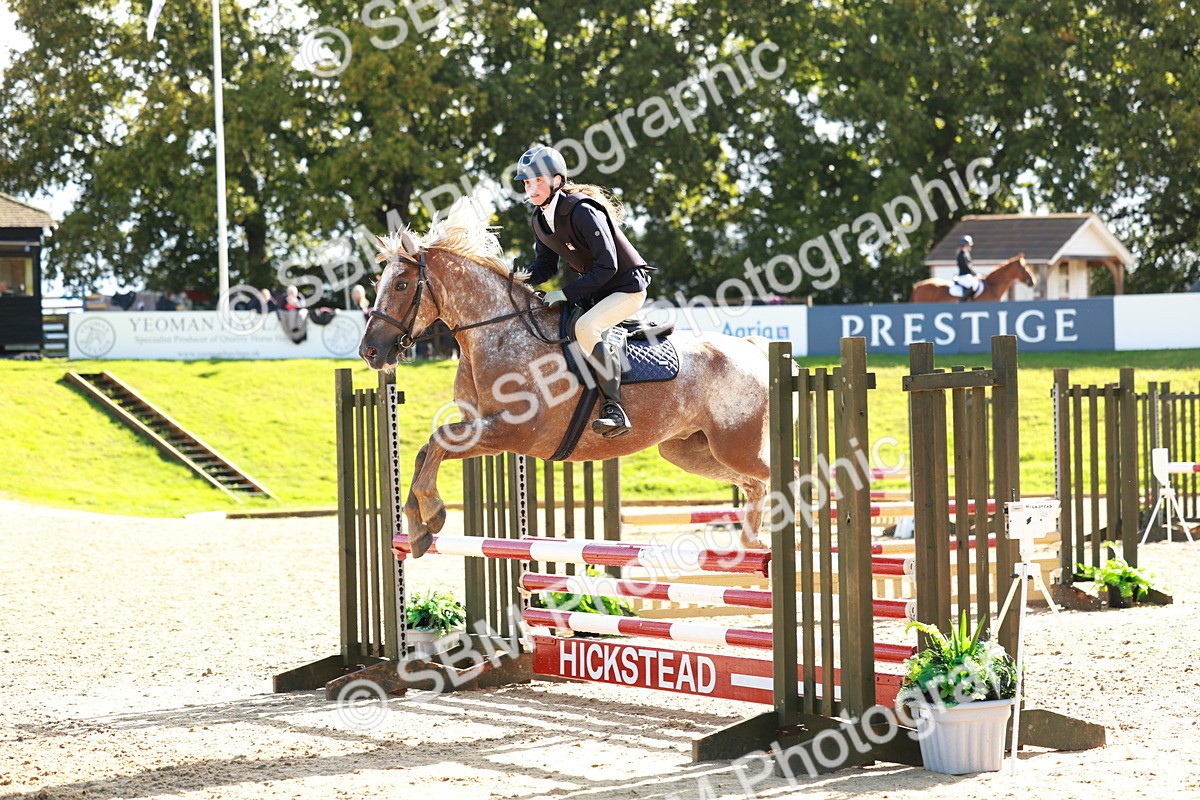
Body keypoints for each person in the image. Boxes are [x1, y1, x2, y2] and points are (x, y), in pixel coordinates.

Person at [514, 144, 653, 439]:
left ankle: (615, 409)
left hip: (626, 287)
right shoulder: (539, 219)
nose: (531, 188)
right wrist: (516, 280)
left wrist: (565, 293)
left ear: (557, 180)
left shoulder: (582, 210)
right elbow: (545, 266)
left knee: (586, 327)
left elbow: (607, 265)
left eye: (538, 180)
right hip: (598, 291)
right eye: (526, 183)